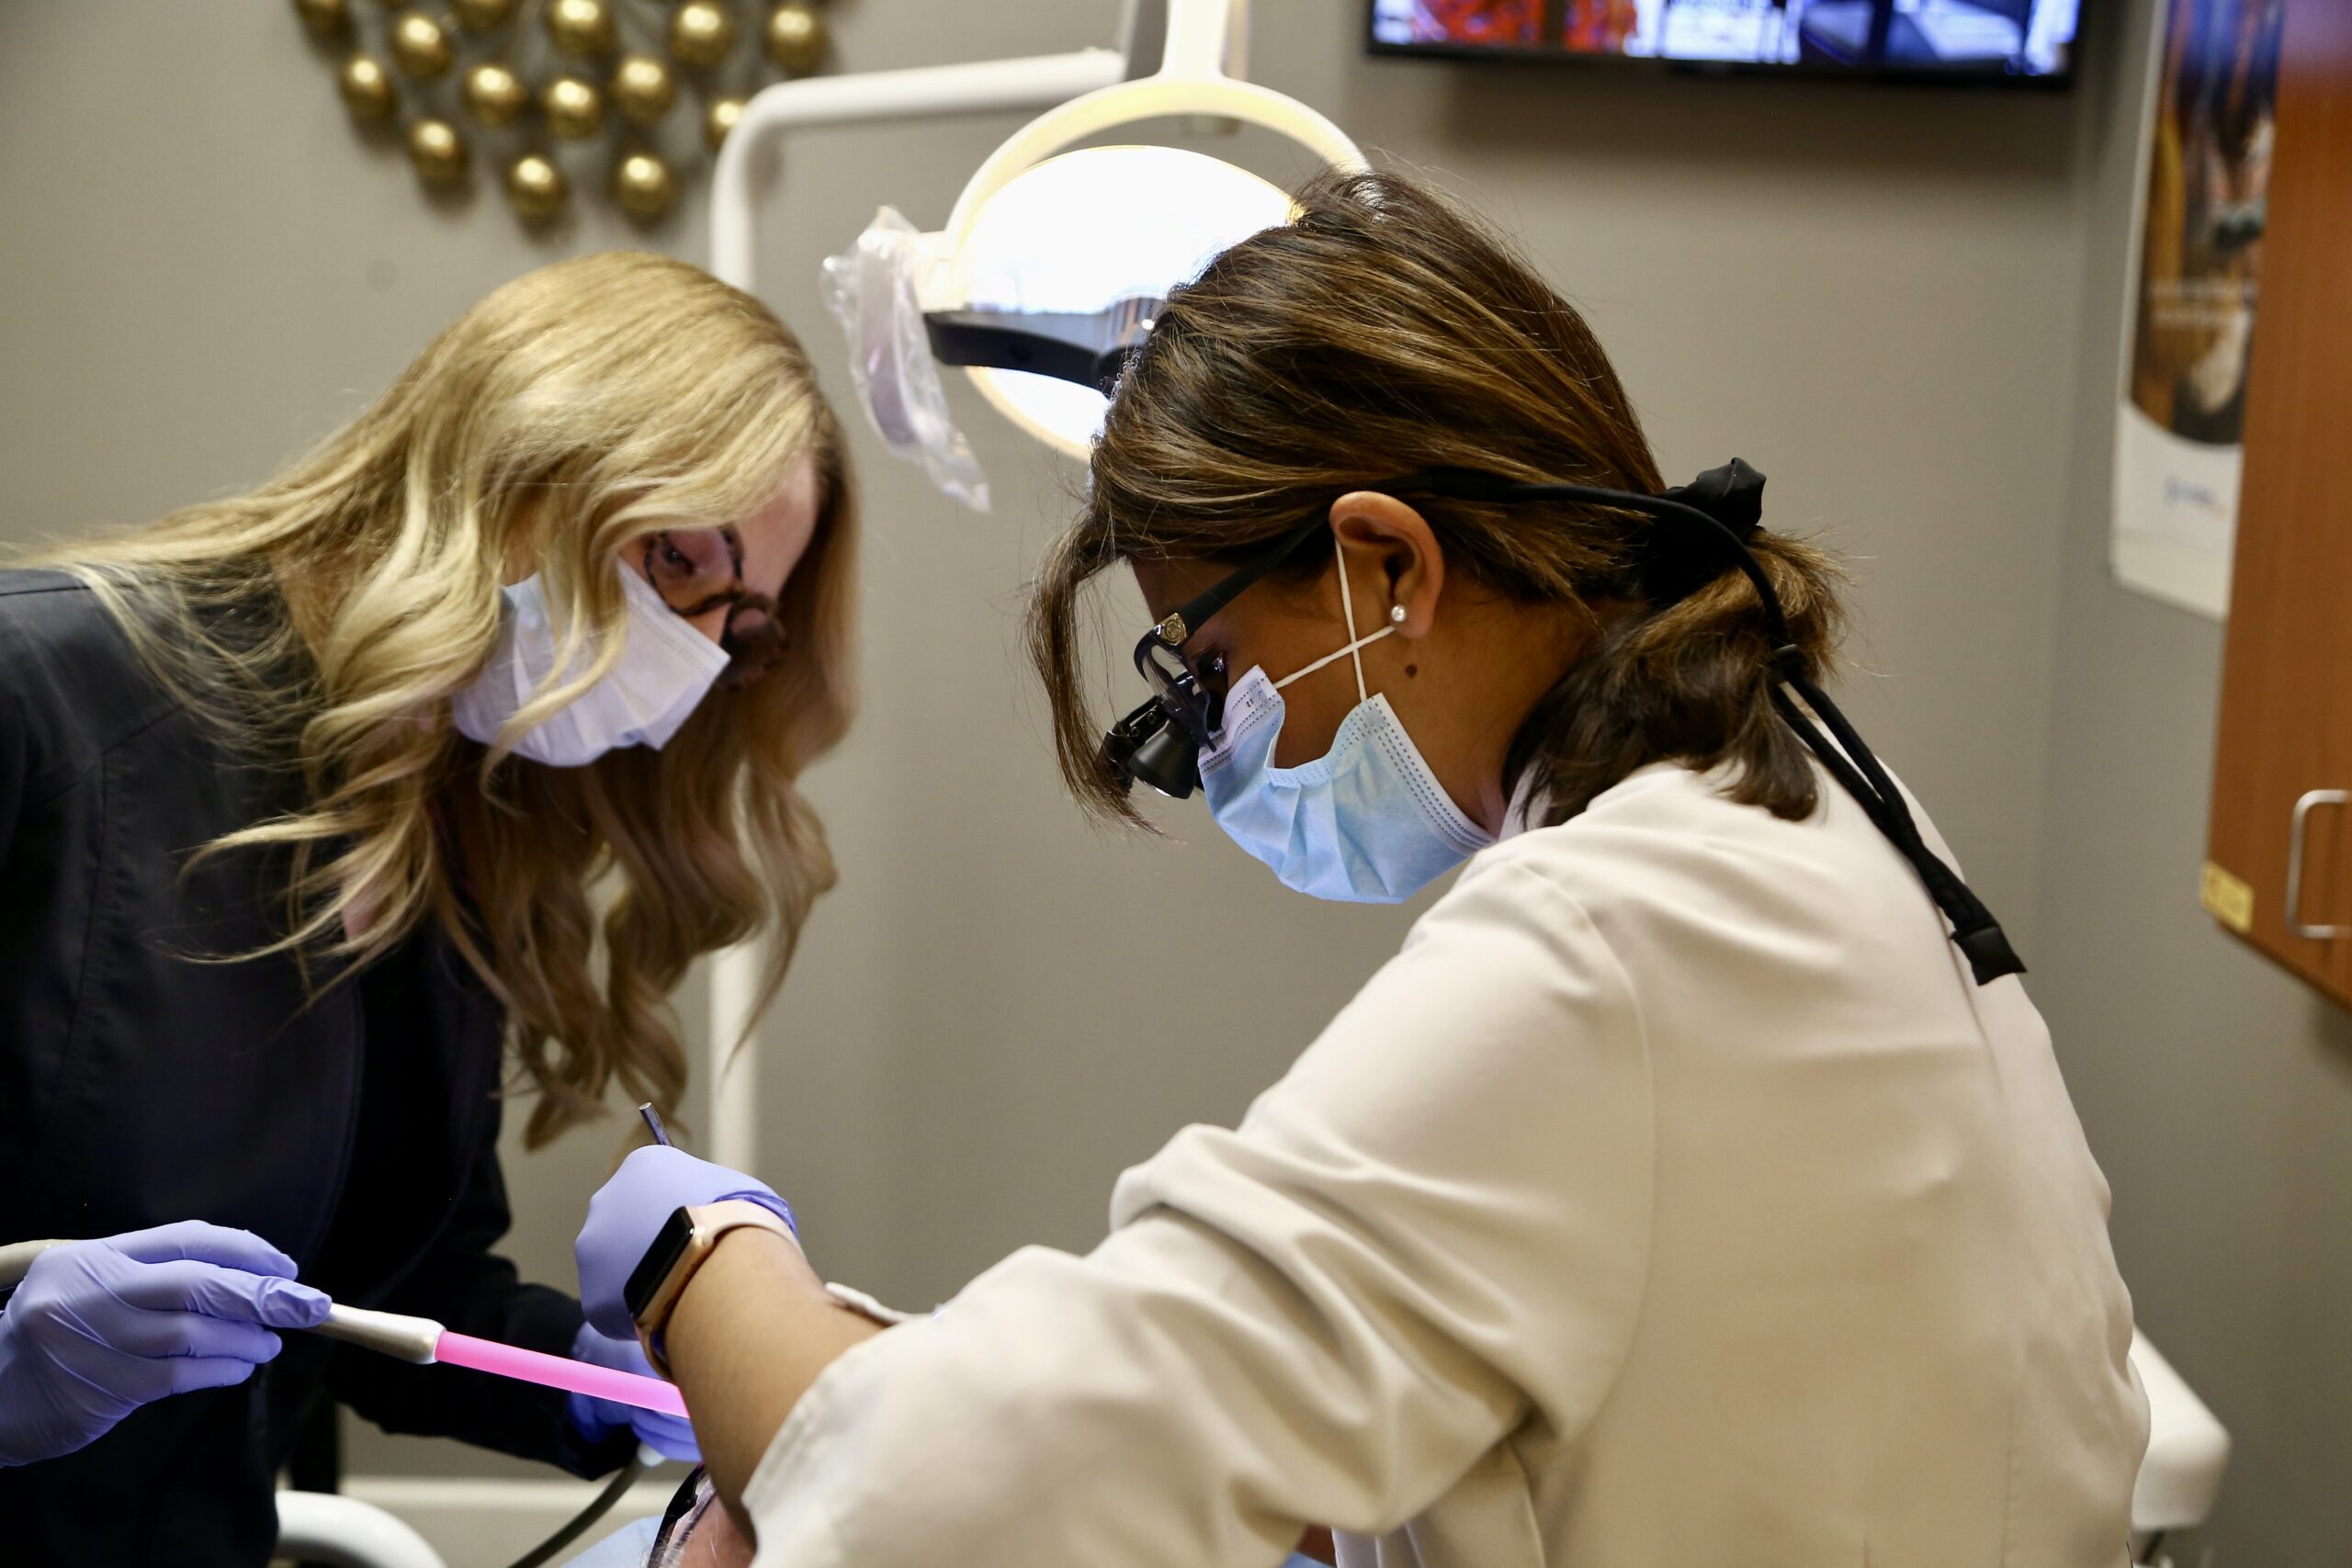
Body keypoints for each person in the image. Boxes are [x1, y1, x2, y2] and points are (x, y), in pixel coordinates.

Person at [571, 172, 2149, 1568]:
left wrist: (701, 1258)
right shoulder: (1807, 798)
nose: (1220, 743)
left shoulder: (1614, 938)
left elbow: (945, 1505)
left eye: (1216, 666)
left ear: (1384, 567)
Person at [0, 251, 857, 1566]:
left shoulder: (441, 828)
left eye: (736, 626)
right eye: (681, 558)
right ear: (518, 457)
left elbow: (383, 1296)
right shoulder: (40, 702)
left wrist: (599, 1377)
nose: (693, 648)